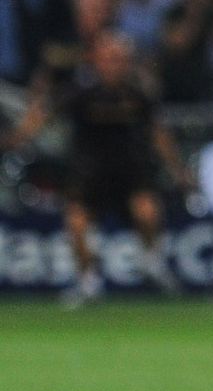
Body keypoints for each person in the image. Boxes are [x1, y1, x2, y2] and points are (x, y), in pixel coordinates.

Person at [8, 31, 186, 306]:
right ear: (97, 61)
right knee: (76, 225)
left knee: (148, 213)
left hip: (131, 170)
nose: (114, 65)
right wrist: (18, 138)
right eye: (109, 59)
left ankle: (151, 262)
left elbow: (158, 133)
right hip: (90, 172)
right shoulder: (81, 92)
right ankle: (88, 281)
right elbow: (45, 112)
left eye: (120, 59)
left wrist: (178, 169)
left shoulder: (138, 94)